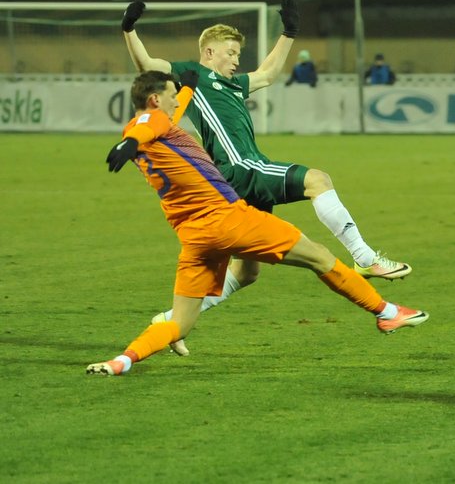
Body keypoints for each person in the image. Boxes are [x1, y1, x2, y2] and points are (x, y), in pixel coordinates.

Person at [121, 0, 410, 357]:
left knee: (246, 274)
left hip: (238, 177)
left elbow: (268, 74)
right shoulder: (192, 75)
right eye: (231, 52)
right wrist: (129, 29)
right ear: (209, 52)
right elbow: (148, 64)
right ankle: (364, 257)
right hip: (241, 167)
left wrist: (289, 32)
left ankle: (169, 321)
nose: (236, 59)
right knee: (318, 180)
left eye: (238, 54)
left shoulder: (233, 84)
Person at [86, 71, 427, 376]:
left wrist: (187, 87)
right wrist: (130, 142)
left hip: (194, 237)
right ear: (154, 99)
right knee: (320, 258)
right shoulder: (149, 123)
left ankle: (122, 360)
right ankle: (387, 312)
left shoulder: (156, 127)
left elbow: (160, 119)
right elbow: (148, 126)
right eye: (171, 96)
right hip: (229, 220)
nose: (176, 102)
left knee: (180, 324)